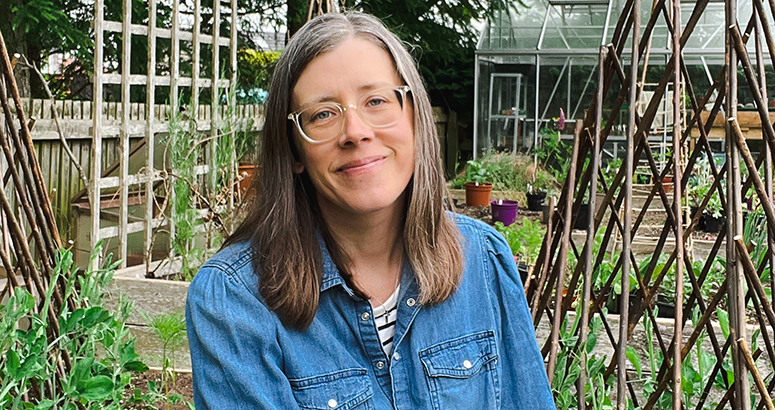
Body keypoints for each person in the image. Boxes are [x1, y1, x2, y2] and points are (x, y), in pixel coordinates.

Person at [185, 11, 555, 410]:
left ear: (414, 118)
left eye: (376, 100)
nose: (356, 132)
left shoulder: (484, 259)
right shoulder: (234, 301)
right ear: (293, 150)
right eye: (323, 113)